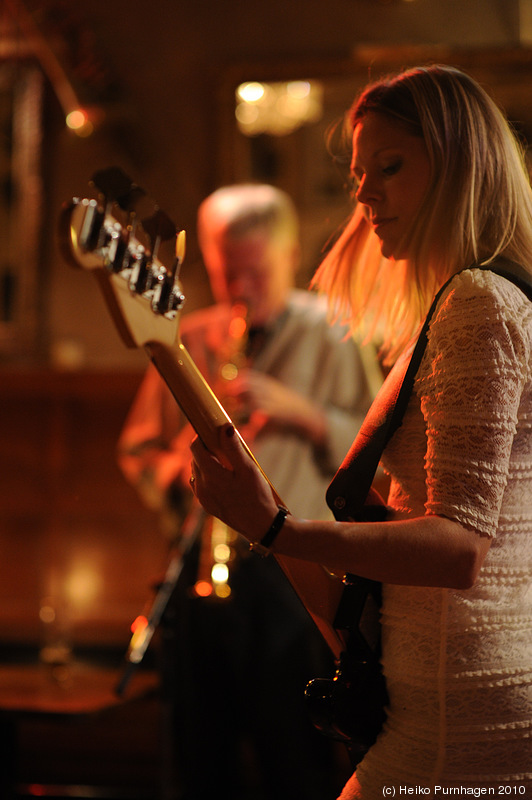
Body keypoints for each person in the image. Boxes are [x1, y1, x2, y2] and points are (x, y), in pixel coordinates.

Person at [189, 65, 532, 798]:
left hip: (461, 706)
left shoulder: (478, 301)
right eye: (358, 174)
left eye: (391, 166)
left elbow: (458, 548)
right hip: (440, 692)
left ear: (460, 162)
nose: (365, 194)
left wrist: (278, 529)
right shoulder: (457, 305)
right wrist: (268, 521)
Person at [118, 183, 377, 799]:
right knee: (200, 752)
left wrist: (306, 414)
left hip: (300, 574)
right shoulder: (190, 338)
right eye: (225, 270)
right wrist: (183, 469)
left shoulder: (339, 332)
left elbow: (379, 457)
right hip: (209, 573)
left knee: (294, 754)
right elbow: (137, 450)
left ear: (288, 257)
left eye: (255, 270)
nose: (241, 286)